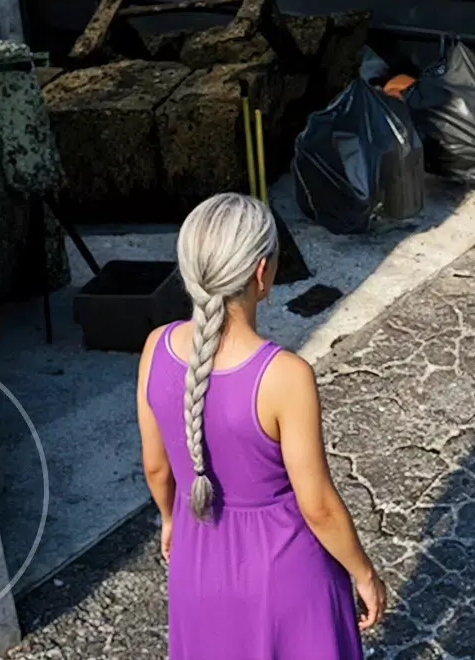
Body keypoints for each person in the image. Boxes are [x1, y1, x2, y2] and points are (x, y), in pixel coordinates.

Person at [136, 193, 387, 658]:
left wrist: (171, 520)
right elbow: (318, 506)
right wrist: (364, 573)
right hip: (285, 577)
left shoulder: (156, 348)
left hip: (197, 563)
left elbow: (156, 468)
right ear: (261, 273)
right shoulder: (284, 376)